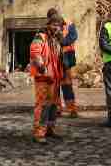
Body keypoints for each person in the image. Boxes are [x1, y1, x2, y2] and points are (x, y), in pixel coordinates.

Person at [29, 14, 65, 143]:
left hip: (54, 77)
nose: (57, 28)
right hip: (43, 76)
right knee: (43, 105)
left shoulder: (56, 39)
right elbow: (35, 52)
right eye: (54, 25)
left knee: (53, 105)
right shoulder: (41, 36)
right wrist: (41, 66)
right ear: (48, 24)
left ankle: (50, 128)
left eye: (59, 26)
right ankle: (39, 133)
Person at [47, 7, 79, 117]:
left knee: (66, 84)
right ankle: (58, 109)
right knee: (55, 85)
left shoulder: (69, 24)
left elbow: (73, 37)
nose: (54, 24)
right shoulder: (48, 27)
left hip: (66, 58)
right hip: (54, 58)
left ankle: (71, 109)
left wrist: (62, 40)